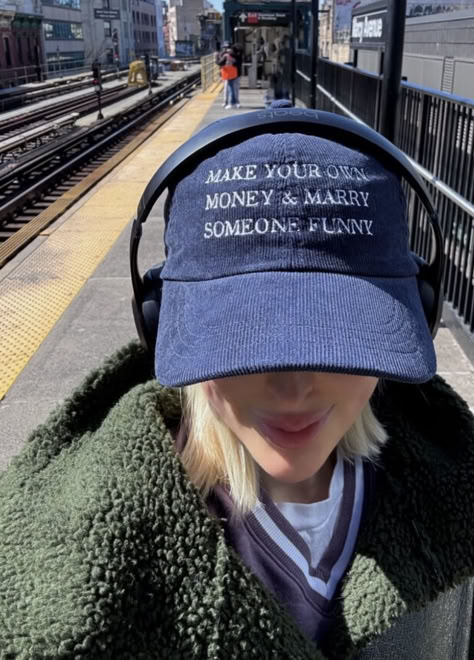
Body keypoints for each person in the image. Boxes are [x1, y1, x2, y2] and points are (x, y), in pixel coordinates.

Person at [1, 104, 474, 659]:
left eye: (340, 336)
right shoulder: (72, 574)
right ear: (160, 326)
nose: (295, 386)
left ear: (419, 310)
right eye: (244, 340)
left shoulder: (454, 491)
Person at [216, 41, 239, 109]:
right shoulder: (233, 54)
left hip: (228, 74)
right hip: (233, 73)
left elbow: (219, 63)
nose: (225, 49)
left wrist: (217, 57)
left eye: (226, 47)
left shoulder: (226, 55)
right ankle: (233, 102)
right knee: (232, 89)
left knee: (230, 89)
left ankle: (232, 103)